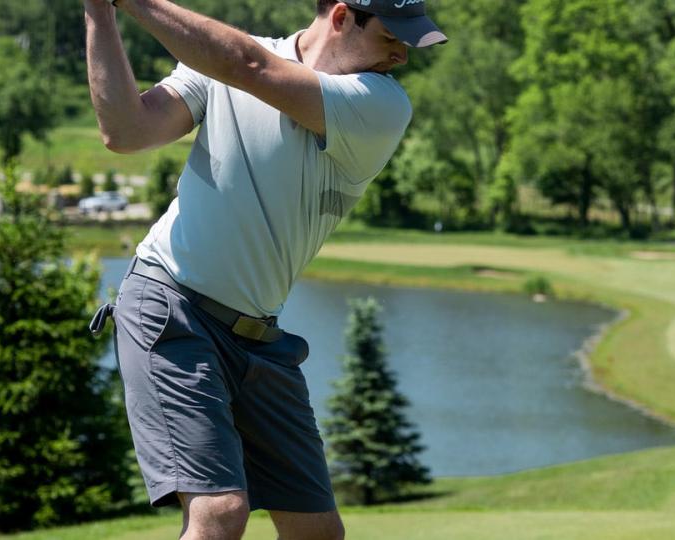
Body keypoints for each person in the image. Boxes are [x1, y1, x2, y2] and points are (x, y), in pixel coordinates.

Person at [81, 1, 445, 539]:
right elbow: (127, 131)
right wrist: (99, 13)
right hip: (171, 307)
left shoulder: (381, 103)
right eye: (394, 37)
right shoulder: (219, 64)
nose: (403, 56)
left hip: (260, 339)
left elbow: (248, 67)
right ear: (343, 16)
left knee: (317, 531)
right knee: (219, 513)